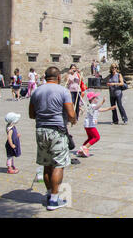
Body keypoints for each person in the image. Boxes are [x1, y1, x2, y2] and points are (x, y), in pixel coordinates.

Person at [29, 66, 77, 211]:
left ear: (45, 76)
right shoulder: (63, 91)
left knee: (46, 163)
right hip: (57, 130)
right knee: (58, 164)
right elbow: (70, 113)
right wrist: (73, 119)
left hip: (40, 130)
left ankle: (50, 194)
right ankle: (54, 200)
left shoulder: (36, 91)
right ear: (58, 78)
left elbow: (31, 114)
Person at [76, 92, 116, 158]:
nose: (97, 98)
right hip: (90, 125)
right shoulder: (92, 106)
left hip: (88, 125)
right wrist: (102, 102)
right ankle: (85, 148)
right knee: (97, 137)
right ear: (92, 99)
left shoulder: (92, 106)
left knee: (90, 138)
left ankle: (81, 150)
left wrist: (109, 108)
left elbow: (100, 109)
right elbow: (97, 107)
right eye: (96, 97)